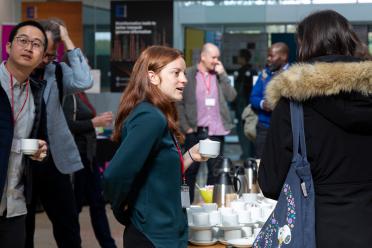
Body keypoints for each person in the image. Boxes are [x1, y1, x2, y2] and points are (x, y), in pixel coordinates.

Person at [258, 10, 372, 247]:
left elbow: (270, 183)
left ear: (305, 46)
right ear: (349, 41)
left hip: (316, 231)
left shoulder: (293, 104)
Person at [104, 45, 208, 248]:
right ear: (152, 77)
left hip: (164, 231)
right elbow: (114, 175)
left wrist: (189, 157)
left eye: (184, 73)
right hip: (152, 236)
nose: (184, 79)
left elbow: (157, 171)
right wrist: (123, 212)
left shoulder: (157, 114)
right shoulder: (150, 117)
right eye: (176, 73)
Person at [25, 19, 93, 248]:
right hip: (23, 161)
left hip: (55, 161)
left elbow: (85, 80)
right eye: (44, 53)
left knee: (67, 227)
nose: (46, 60)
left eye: (51, 56)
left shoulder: (58, 72)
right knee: (22, 228)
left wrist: (67, 39)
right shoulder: (14, 72)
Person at [0, 20, 48, 248]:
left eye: (37, 44)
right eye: (23, 41)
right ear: (8, 47)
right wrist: (20, 146)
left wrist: (37, 150)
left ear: (42, 57)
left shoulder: (37, 94)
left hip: (15, 204)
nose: (29, 47)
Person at [177, 43, 237, 202]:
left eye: (218, 57)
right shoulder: (189, 74)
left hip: (216, 131)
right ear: (203, 56)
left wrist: (223, 75)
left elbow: (232, 96)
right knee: (189, 172)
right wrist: (186, 127)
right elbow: (179, 103)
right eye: (214, 57)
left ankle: (211, 207)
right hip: (195, 131)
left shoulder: (219, 76)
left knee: (215, 173)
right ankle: (185, 207)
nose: (217, 61)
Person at [62, 90, 116, 248]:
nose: (85, 64)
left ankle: (108, 245)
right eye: (82, 63)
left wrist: (97, 122)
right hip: (77, 157)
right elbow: (66, 125)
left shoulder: (80, 94)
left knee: (97, 203)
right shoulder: (69, 95)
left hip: (89, 156)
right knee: (76, 205)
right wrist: (94, 122)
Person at [249, 42, 289, 158]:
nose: (268, 59)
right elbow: (253, 97)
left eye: (272, 56)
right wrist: (262, 104)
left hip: (286, 128)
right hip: (264, 128)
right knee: (261, 162)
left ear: (284, 57)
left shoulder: (294, 74)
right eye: (268, 55)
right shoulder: (265, 74)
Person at [233, 49, 257, 160]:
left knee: (245, 133)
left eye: (239, 56)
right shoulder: (251, 71)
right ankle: (248, 154)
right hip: (245, 107)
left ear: (243, 58)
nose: (237, 58)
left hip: (244, 107)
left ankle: (248, 155)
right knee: (247, 132)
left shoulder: (249, 72)